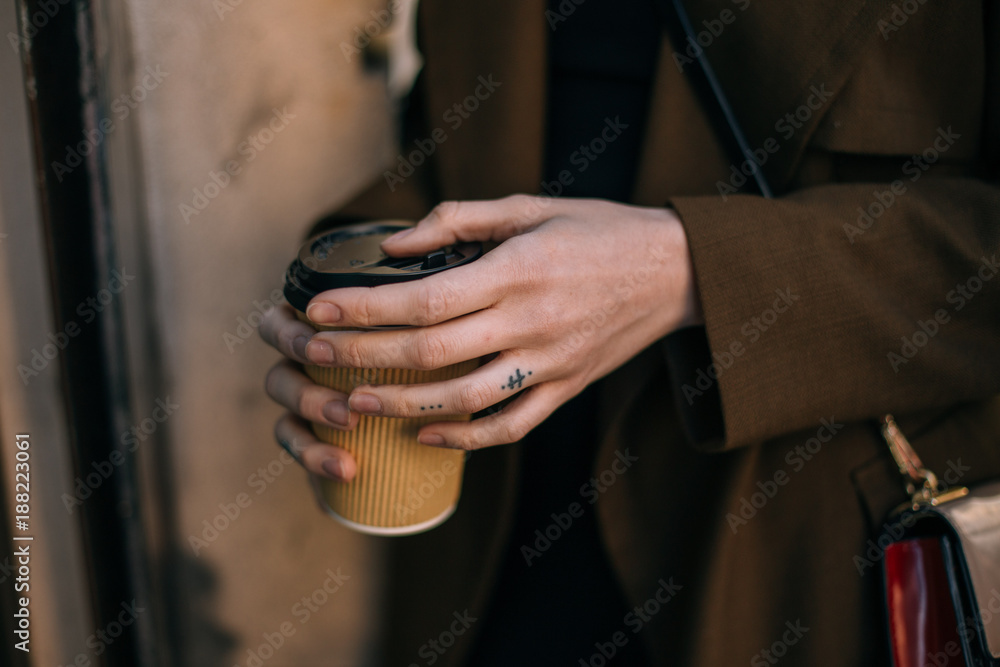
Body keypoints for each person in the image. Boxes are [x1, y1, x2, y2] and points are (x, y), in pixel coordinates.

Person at [260, 0, 1000, 664]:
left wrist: (687, 269)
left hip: (795, 556)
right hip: (486, 543)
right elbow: (448, 150)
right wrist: (351, 281)